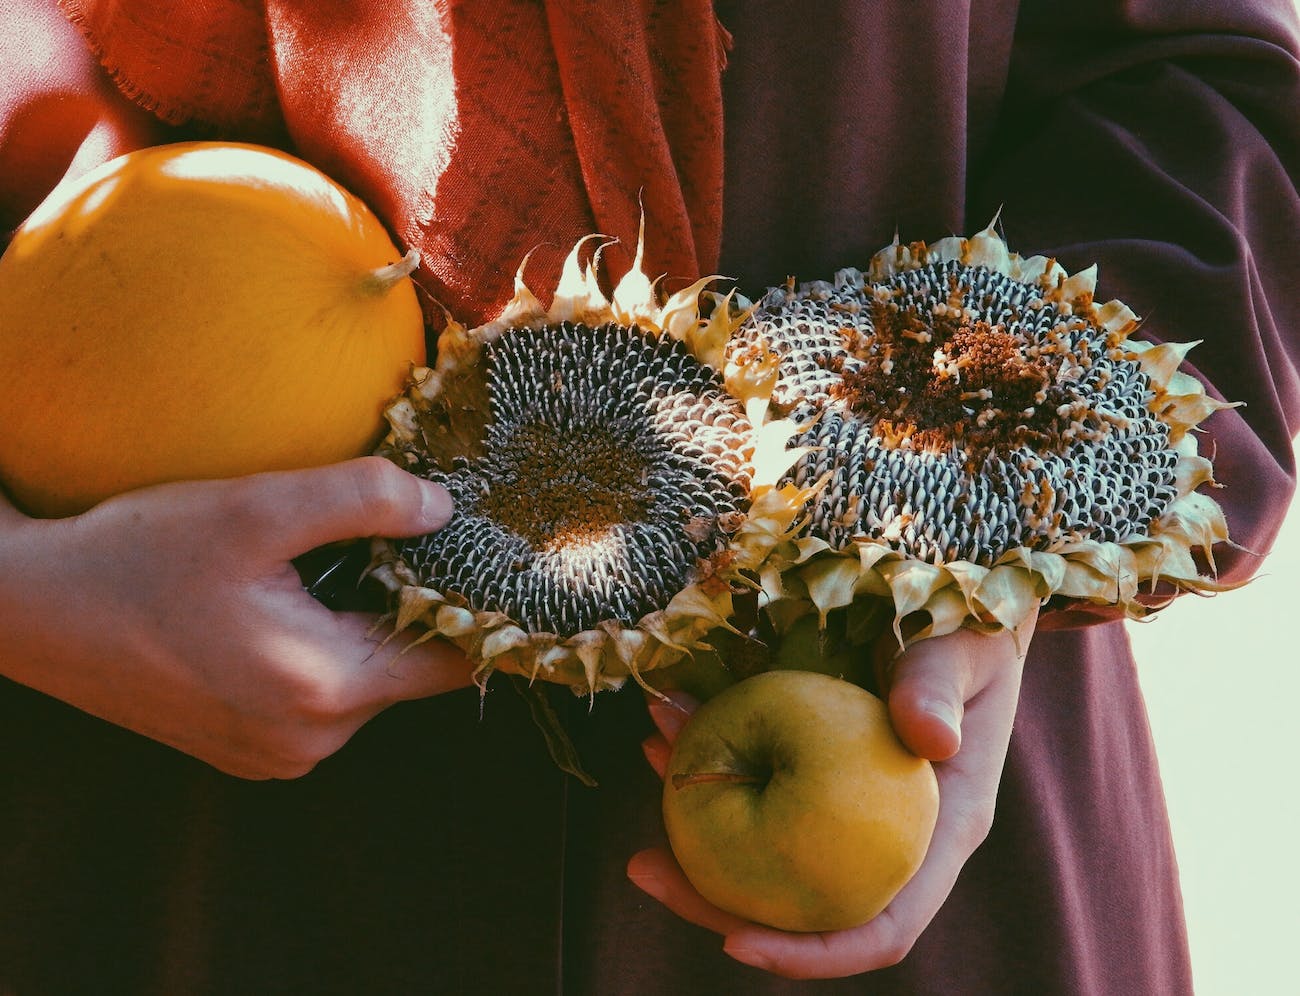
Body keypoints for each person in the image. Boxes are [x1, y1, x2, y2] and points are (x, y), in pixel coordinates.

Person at [1, 0, 1297, 992]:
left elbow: (1208, 87)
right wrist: (20, 590)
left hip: (901, 713)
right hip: (162, 812)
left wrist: (994, 499)